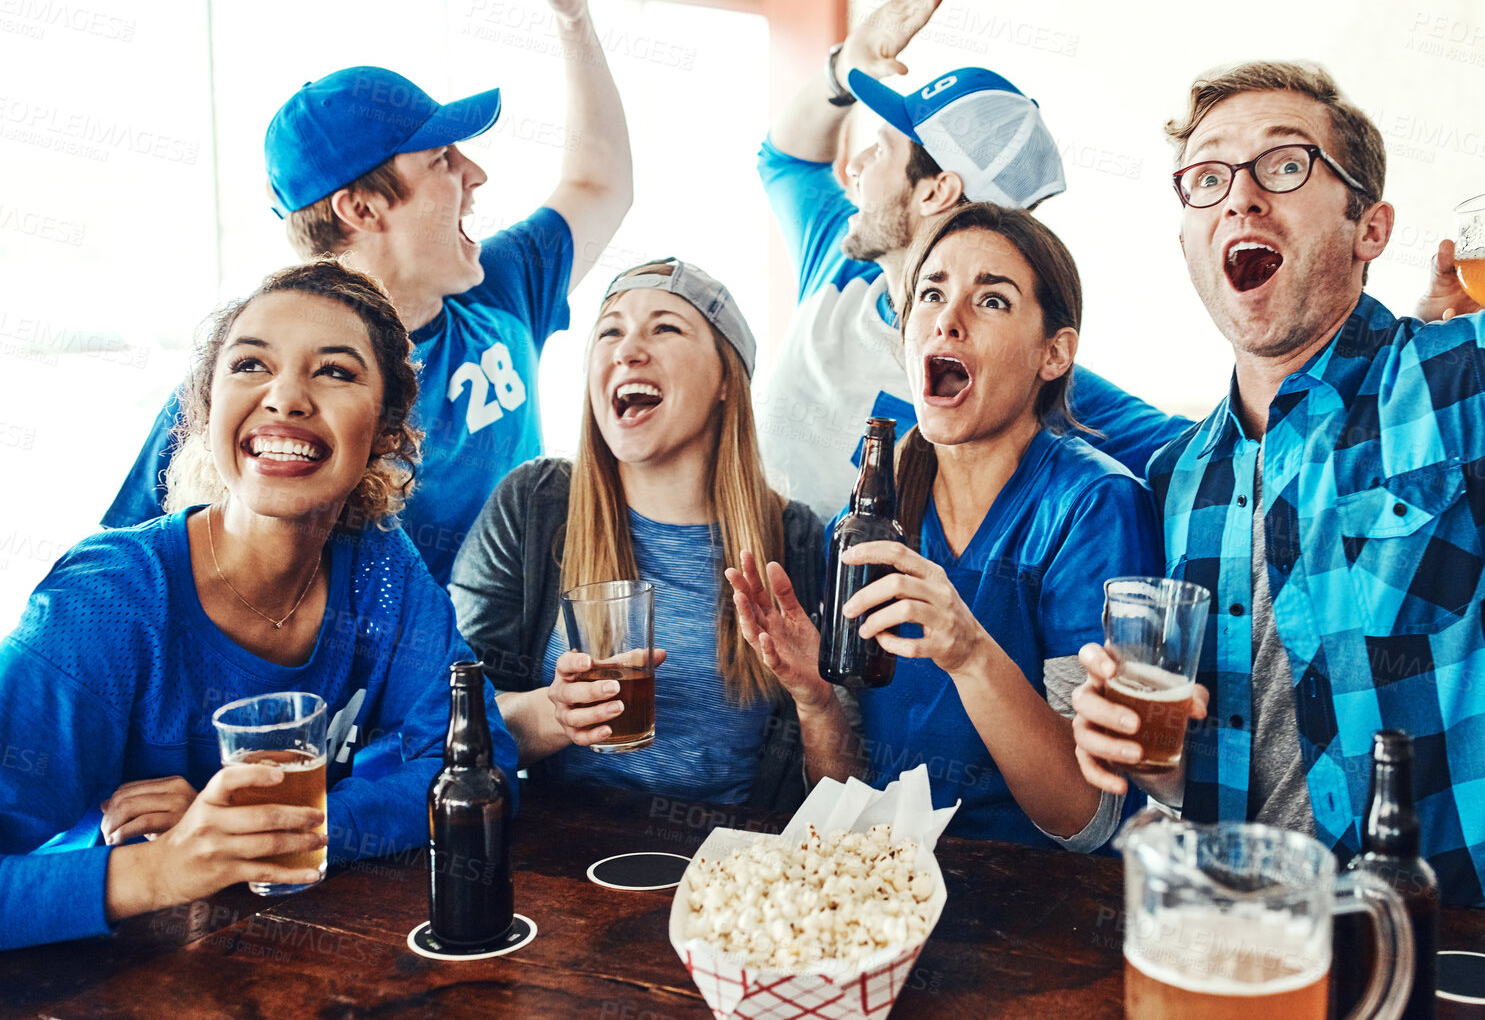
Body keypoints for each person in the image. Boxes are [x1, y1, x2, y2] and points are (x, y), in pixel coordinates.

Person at [1070, 60, 1485, 929]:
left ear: (1369, 228)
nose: (1238, 197)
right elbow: (1225, 767)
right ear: (1186, 241)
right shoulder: (1184, 481)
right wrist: (1140, 755)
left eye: (1283, 165)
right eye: (1206, 177)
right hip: (1281, 956)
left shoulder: (1478, 377)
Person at [754, 0, 1485, 521]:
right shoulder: (842, 260)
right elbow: (782, 156)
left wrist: (1417, 360)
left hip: (863, 670)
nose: (852, 162)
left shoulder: (1037, 378)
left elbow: (1242, 463)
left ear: (935, 192)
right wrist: (842, 65)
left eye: (880, 146)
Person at [102, 0, 633, 584]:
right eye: (442, 158)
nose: (475, 173)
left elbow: (601, 184)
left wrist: (574, 16)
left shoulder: (495, 291)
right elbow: (123, 569)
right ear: (361, 208)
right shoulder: (252, 387)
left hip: (527, 682)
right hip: (377, 695)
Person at [0, 262, 515, 951]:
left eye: (334, 372)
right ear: (207, 408)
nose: (286, 397)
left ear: (388, 429)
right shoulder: (103, 605)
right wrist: (169, 866)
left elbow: (475, 765)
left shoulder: (383, 570)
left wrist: (268, 825)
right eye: (250, 364)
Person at [733, 203, 1162, 851]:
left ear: (1053, 354)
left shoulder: (1094, 505)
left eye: (990, 301)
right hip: (888, 892)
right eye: (930, 293)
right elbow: (844, 800)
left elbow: (1087, 819)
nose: (948, 318)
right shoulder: (866, 522)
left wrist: (968, 651)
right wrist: (817, 699)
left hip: (1032, 910)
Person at [449, 260, 857, 809]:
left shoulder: (797, 538)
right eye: (610, 331)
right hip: (566, 867)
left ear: (724, 381)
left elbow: (845, 796)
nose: (627, 349)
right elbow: (447, 722)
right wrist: (555, 712)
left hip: (737, 869)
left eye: (664, 328)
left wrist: (817, 702)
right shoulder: (534, 503)